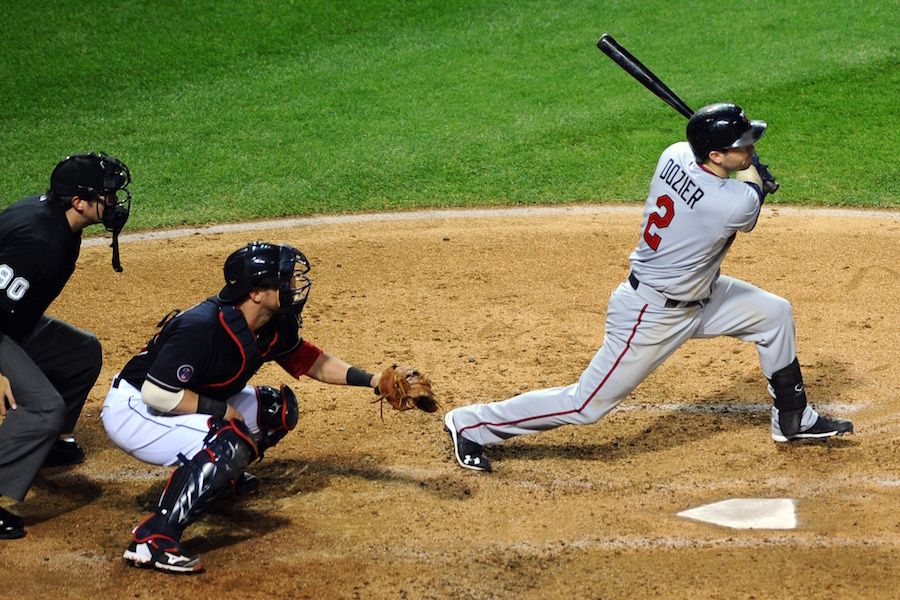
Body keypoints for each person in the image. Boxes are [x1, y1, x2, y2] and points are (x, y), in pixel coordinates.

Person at [444, 102, 853, 473]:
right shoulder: (732, 203)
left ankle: (792, 416)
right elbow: (749, 197)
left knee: (773, 313)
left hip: (702, 294)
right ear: (714, 155)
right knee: (586, 405)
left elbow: (736, 180)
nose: (750, 148)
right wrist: (755, 173)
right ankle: (472, 424)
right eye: (742, 144)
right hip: (652, 313)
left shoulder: (674, 154)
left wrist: (747, 168)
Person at [101, 241, 395, 574]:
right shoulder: (202, 327)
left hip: (181, 397)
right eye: (283, 281)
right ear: (256, 293)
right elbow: (158, 394)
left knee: (275, 409)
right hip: (136, 408)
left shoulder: (272, 323)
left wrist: (373, 381)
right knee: (228, 440)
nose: (294, 287)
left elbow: (310, 361)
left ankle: (214, 484)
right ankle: (153, 538)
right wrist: (221, 410)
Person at [0, 152, 132, 539]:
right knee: (44, 407)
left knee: (81, 352)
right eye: (106, 194)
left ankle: (46, 445)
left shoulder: (58, 222)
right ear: (78, 202)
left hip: (11, 322)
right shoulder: (40, 241)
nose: (114, 201)